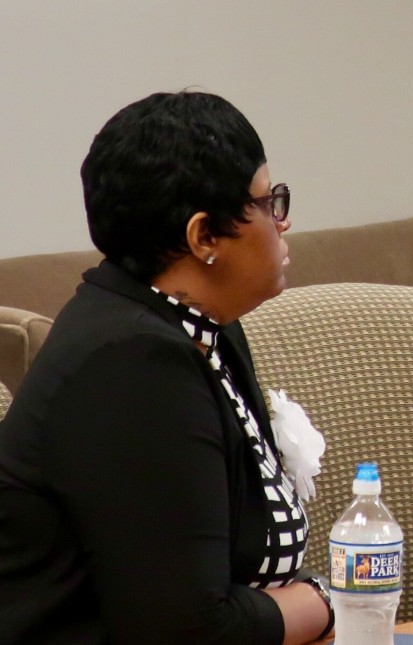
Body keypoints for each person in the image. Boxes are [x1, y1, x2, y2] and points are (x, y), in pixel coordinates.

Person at [0, 92, 332, 644]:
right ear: (204, 236)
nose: (285, 220)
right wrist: (324, 601)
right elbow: (188, 631)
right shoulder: (130, 362)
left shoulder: (200, 325)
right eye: (269, 201)